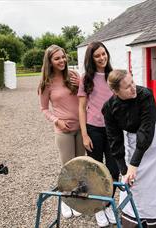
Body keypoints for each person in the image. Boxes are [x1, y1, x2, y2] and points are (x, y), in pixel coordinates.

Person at [102, 69, 156, 228]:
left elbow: (146, 131)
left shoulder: (146, 95)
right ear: (115, 91)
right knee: (133, 184)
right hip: (133, 142)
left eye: (133, 82)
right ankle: (136, 220)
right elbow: (114, 140)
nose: (133, 88)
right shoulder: (109, 108)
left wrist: (133, 165)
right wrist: (124, 170)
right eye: (127, 87)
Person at [38, 44, 85, 219]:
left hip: (81, 128)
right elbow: (43, 109)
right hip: (63, 131)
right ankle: (66, 200)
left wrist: (82, 84)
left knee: (79, 166)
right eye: (57, 58)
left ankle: (78, 200)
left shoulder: (74, 76)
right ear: (50, 61)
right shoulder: (46, 83)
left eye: (63, 57)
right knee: (67, 168)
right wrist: (57, 120)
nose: (62, 60)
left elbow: (85, 96)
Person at [77, 41, 119, 227]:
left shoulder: (114, 76)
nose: (102, 58)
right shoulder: (86, 78)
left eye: (104, 54)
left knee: (113, 169)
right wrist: (85, 135)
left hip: (113, 130)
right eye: (97, 56)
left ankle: (107, 203)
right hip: (93, 129)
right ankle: (98, 208)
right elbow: (81, 108)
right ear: (91, 59)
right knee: (94, 170)